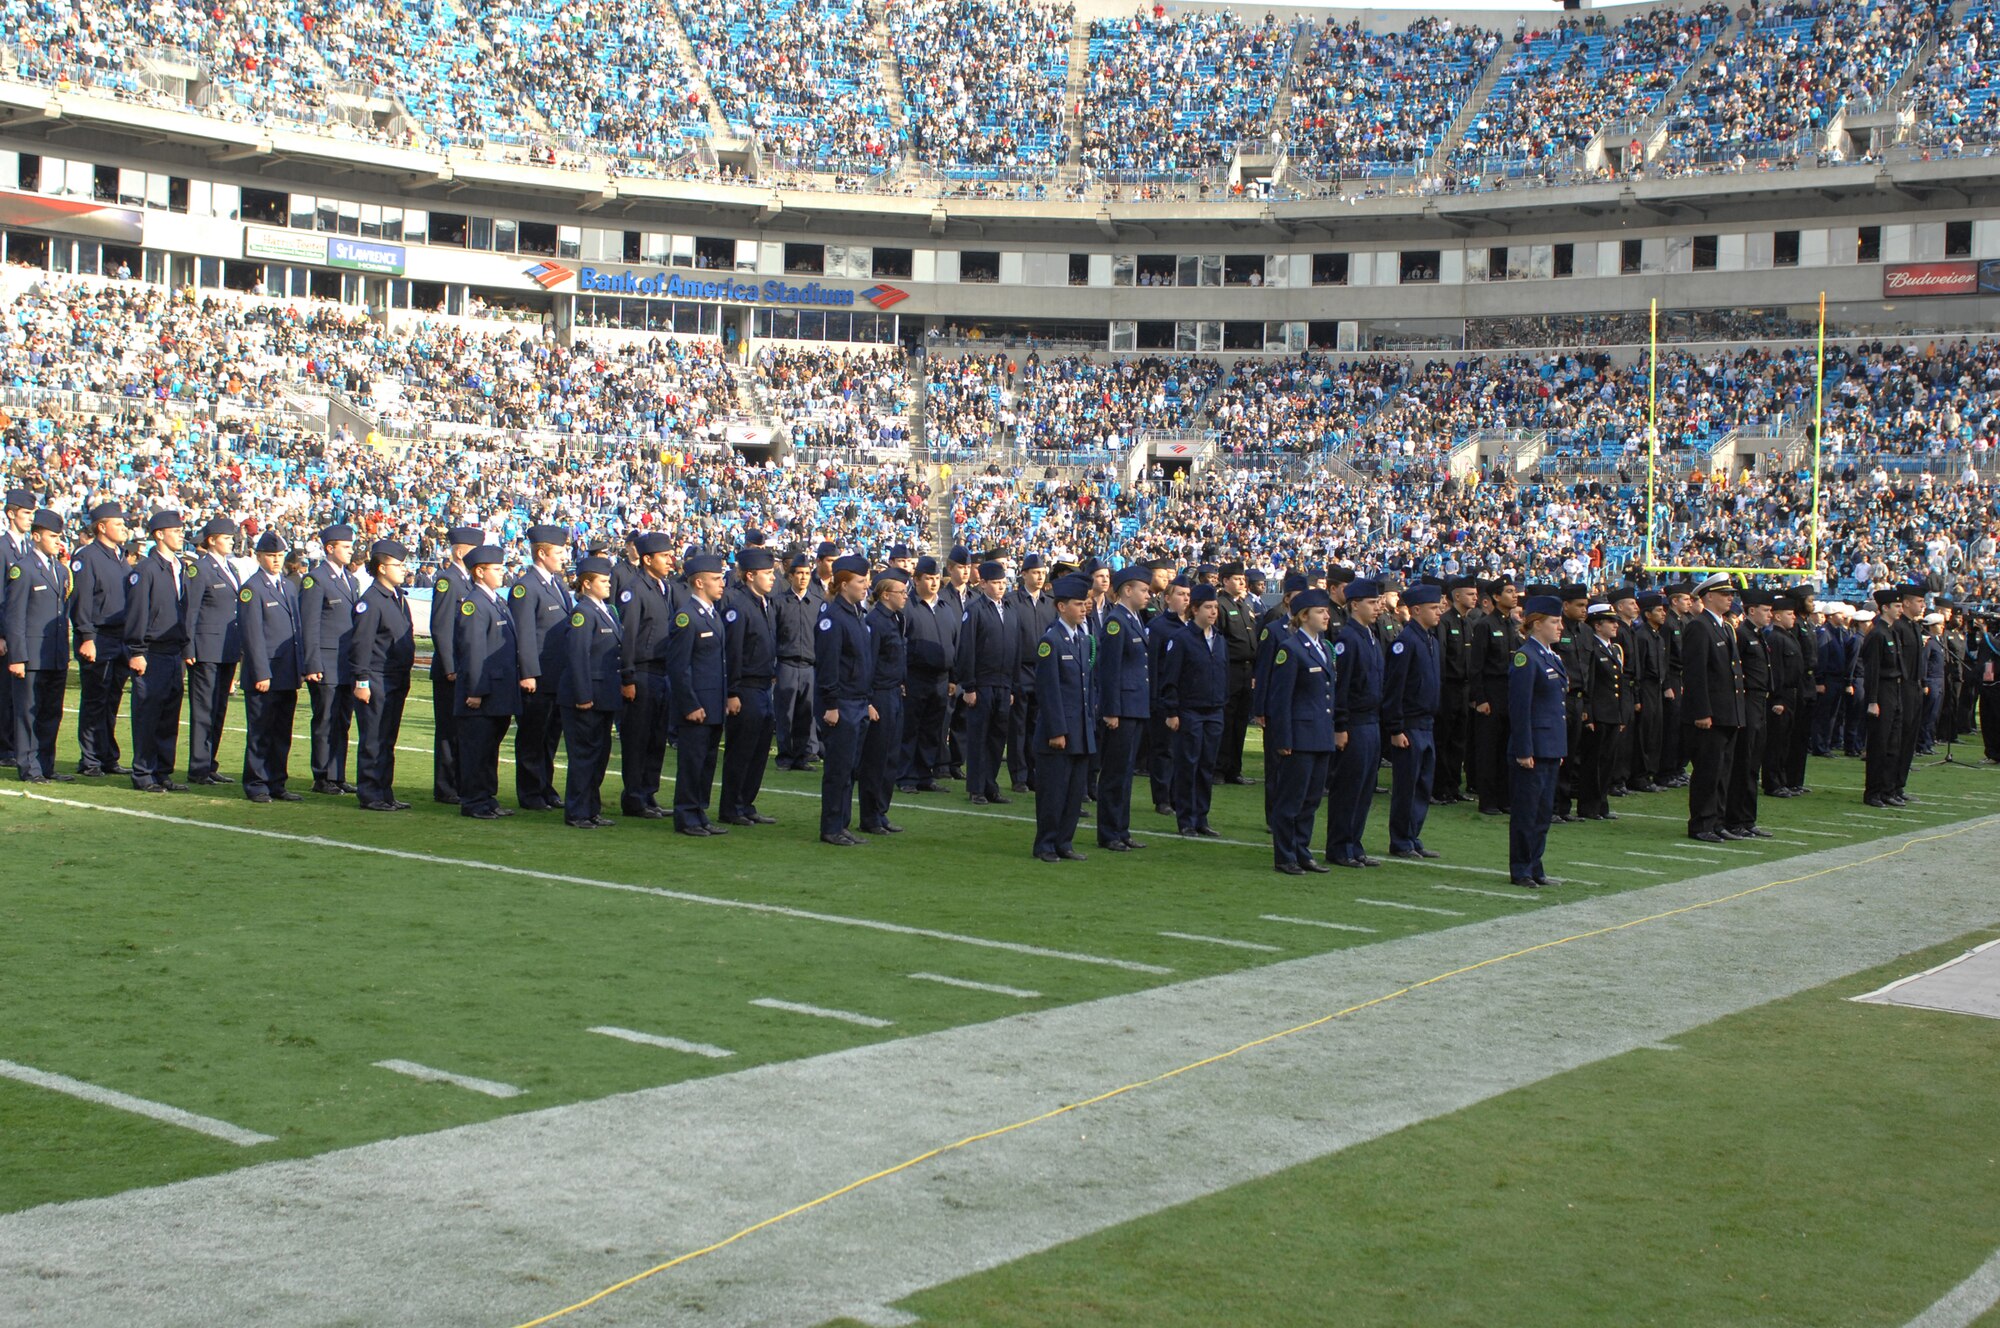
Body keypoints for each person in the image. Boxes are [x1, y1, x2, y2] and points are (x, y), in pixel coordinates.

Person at [1264, 588, 1335, 874]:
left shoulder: (1324, 647)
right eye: (1321, 611)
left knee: (1311, 800)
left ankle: (1302, 850)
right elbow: (1281, 699)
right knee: (1291, 800)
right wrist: (1283, 739)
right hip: (1300, 737)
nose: (1327, 616)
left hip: (1320, 735)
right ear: (1304, 616)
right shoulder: (1291, 649)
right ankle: (1285, 855)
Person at [122, 510, 190, 793]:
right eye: (175, 530)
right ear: (159, 534)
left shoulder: (180, 567)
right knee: (148, 714)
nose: (180, 535)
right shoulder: (146, 569)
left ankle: (162, 771)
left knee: (169, 716)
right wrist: (136, 650)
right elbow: (137, 614)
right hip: (151, 651)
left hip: (173, 651)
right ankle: (144, 773)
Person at [1032, 573, 1097, 862]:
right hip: (1058, 732)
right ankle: (1045, 844)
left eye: (1085, 603)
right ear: (1061, 607)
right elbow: (1049, 691)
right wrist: (1056, 730)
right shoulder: (1051, 641)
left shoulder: (1084, 639)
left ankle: (1064, 842)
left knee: (1073, 794)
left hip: (1081, 729)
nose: (1084, 608)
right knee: (1053, 793)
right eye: (1078, 604)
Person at [454, 546, 524, 820]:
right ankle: (474, 801)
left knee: (489, 749)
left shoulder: (496, 601)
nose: (502, 573)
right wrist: (475, 690)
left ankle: (487, 797)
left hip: (499, 690)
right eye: (496, 569)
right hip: (482, 692)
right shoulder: (474, 604)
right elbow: (473, 651)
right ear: (479, 572)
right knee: (476, 750)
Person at [235, 530, 304, 802]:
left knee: (282, 731)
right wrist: (261, 672)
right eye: (271, 556)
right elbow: (252, 636)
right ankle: (256, 783)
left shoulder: (287, 586)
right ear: (259, 556)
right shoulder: (252, 588)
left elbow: (296, 630)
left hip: (286, 670)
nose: (276, 561)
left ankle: (277, 781)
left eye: (279, 556)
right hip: (265, 671)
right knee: (261, 731)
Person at [6, 507, 71, 783]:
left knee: (50, 713)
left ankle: (46, 765)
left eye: (60, 536)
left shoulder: (59, 569)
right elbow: (14, 616)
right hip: (31, 656)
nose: (58, 541)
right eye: (53, 536)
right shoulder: (23, 569)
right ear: (35, 536)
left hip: (54, 654)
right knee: (28, 713)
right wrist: (17, 656)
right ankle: (29, 767)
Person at [349, 540, 415, 812]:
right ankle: (370, 792)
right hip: (376, 678)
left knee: (388, 738)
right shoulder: (371, 601)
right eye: (397, 565)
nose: (403, 570)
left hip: (396, 678)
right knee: (374, 738)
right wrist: (362, 681)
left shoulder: (397, 597)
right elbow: (361, 645)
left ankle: (385, 791)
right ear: (380, 568)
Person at [1508, 595, 1570, 887]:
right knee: (1527, 811)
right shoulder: (1526, 657)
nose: (1560, 627)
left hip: (1550, 745)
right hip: (1533, 746)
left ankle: (1535, 865)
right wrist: (1524, 749)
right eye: (1554, 622)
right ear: (1536, 624)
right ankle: (1521, 868)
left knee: (1544, 811)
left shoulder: (1550, 656)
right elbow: (1520, 708)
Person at [667, 552, 730, 836]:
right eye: (716, 579)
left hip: (713, 703)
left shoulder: (711, 615)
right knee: (692, 763)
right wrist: (690, 704)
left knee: (706, 763)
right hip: (697, 706)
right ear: (699, 582)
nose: (722, 584)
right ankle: (686, 816)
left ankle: (700, 812)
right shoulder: (686, 617)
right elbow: (679, 667)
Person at [509, 525, 571, 812]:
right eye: (559, 552)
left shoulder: (556, 584)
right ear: (542, 553)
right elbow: (524, 634)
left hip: (557, 676)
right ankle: (531, 792)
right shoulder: (526, 586)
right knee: (532, 737)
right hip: (538, 677)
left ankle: (546, 787)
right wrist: (527, 673)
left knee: (549, 737)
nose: (564, 557)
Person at [1324, 577, 1385, 868]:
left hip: (1372, 721)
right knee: (1348, 787)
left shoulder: (1370, 635)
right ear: (1355, 604)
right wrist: (1341, 725)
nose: (1378, 607)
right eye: (1372, 603)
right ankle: (1339, 846)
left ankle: (1354, 843)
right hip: (1356, 723)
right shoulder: (1348, 639)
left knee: (1364, 788)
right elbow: (1343, 687)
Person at [617, 532, 678, 820]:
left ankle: (648, 792)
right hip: (641, 671)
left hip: (661, 671)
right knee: (638, 738)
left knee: (656, 738)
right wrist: (627, 677)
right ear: (647, 559)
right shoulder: (634, 589)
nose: (670, 560)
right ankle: (634, 797)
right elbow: (628, 636)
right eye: (665, 556)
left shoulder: (662, 587)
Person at [68, 502, 131, 778]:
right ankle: (90, 758)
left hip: (121, 637)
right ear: (102, 527)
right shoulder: (87, 556)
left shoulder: (120, 557)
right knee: (95, 698)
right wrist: (87, 637)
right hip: (99, 636)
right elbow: (81, 602)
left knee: (113, 699)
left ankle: (108, 756)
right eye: (118, 524)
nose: (123, 528)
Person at [816, 554, 875, 846]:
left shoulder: (855, 614)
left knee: (851, 768)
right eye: (860, 581)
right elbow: (828, 666)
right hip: (841, 704)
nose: (866, 586)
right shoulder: (833, 617)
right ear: (842, 585)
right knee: (838, 769)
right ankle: (831, 826)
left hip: (857, 701)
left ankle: (842, 823)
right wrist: (830, 705)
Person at [1681, 574, 1746, 841]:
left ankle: (1717, 820)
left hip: (1727, 711)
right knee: (1708, 771)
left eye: (1730, 594)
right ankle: (1702, 823)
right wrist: (1702, 712)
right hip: (1712, 713)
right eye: (1724, 594)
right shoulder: (1700, 626)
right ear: (1708, 596)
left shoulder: (1722, 626)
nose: (1730, 597)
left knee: (1723, 771)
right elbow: (1696, 674)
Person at [1160, 582, 1227, 838]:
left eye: (1215, 608)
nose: (1213, 612)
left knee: (1206, 766)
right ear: (1195, 609)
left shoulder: (1218, 640)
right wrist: (1172, 711)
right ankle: (1186, 818)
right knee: (1188, 764)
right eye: (1208, 607)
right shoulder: (1181, 639)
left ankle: (1202, 817)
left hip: (1214, 710)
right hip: (1190, 711)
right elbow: (1171, 679)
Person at [1093, 565, 1152, 853]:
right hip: (1123, 708)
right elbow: (1109, 670)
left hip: (1136, 705)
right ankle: (1108, 832)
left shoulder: (1134, 619)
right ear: (1127, 590)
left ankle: (1122, 828)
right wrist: (1111, 710)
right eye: (1143, 589)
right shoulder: (1116, 621)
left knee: (1126, 772)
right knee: (1115, 772)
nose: (1148, 595)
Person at [720, 546, 779, 826]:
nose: (773, 578)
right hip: (745, 686)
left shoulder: (764, 603)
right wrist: (731, 691)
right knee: (741, 750)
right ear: (751, 575)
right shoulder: (738, 605)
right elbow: (733, 652)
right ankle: (732, 806)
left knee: (758, 750)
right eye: (767, 574)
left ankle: (747, 802)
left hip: (764, 686)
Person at [1383, 583, 1443, 859]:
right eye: (1433, 608)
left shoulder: (1430, 640)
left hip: (1427, 723)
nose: (1439, 611)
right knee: (1407, 786)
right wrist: (1396, 728)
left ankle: (1412, 835)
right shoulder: (1405, 641)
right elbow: (1394, 688)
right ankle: (1401, 840)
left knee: (1422, 784)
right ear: (1417, 610)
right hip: (1409, 723)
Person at [299, 523, 360, 795]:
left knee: (343, 720)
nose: (350, 551)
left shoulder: (351, 579)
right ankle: (322, 775)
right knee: (325, 719)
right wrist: (311, 663)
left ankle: (338, 774)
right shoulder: (316, 578)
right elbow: (309, 624)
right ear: (330, 548)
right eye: (346, 547)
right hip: (325, 662)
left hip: (346, 663)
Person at [181, 517, 242, 787]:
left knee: (219, 709)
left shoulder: (231, 569)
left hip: (226, 649)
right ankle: (198, 766)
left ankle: (210, 763)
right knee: (204, 709)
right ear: (212, 539)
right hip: (205, 649)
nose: (231, 541)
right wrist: (189, 645)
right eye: (227, 537)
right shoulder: (200, 569)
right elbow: (191, 611)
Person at [426, 526, 481, 805]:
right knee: (449, 730)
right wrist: (449, 666)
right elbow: (440, 627)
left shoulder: (468, 583)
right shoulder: (448, 581)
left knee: (461, 730)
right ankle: (446, 786)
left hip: (463, 668)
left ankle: (458, 782)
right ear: (460, 552)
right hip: (451, 670)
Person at [955, 560, 1017, 806]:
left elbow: (1016, 648)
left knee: (997, 738)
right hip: (981, 684)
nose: (1001, 587)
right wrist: (968, 687)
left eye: (1003, 583)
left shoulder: (1010, 610)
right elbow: (967, 648)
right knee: (979, 737)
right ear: (983, 584)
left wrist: (1012, 686)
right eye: (995, 583)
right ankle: (976, 788)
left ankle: (991, 785)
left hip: (1003, 684)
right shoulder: (975, 609)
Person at [898, 555, 957, 794]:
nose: (933, 583)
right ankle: (906, 776)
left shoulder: (945, 608)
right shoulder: (908, 607)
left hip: (941, 679)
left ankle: (925, 774)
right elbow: (900, 645)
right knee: (910, 728)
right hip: (915, 677)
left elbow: (954, 643)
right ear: (916, 579)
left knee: (933, 730)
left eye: (935, 578)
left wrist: (953, 677)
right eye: (928, 578)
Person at [859, 568, 909, 835]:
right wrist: (868, 700)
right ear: (886, 594)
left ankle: (881, 810)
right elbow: (869, 663)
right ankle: (869, 815)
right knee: (875, 759)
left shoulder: (896, 619)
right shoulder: (876, 622)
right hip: (879, 694)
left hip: (894, 692)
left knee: (890, 757)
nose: (905, 596)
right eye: (901, 592)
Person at [1469, 578, 1521, 815]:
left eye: (1514, 591)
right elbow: (1476, 665)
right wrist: (1480, 699)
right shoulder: (1485, 625)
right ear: (1496, 597)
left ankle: (1505, 798)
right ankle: (1488, 800)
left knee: (1505, 749)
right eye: (1509, 592)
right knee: (1488, 749)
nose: (1515, 595)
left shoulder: (1512, 625)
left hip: (1510, 693)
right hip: (1491, 692)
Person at [1006, 554, 1054, 794]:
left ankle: (1034, 772)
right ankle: (1019, 775)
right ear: (1024, 574)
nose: (1039, 576)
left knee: (1037, 725)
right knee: (1018, 726)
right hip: (1020, 668)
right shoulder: (1012, 601)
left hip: (1042, 670)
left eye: (1042, 571)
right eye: (1035, 572)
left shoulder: (1050, 603)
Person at [1576, 602, 1628, 821]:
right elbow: (1590, 682)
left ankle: (1601, 803)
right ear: (1597, 625)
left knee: (1608, 761)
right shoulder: (1592, 648)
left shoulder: (1613, 648)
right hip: (1598, 712)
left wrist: (1622, 714)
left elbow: (1621, 683)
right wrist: (1589, 712)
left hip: (1612, 713)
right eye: (1610, 621)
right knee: (1593, 762)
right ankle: (1589, 805)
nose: (1615, 625)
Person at [773, 553, 821, 771]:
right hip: (786, 664)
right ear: (790, 576)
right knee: (785, 713)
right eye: (799, 573)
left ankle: (802, 755)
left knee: (805, 713)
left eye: (807, 573)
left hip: (810, 665)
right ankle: (785, 755)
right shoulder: (779, 603)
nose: (803, 577)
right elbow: (772, 635)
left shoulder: (818, 604)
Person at [1433, 576, 1478, 803]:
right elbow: (1442, 658)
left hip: (1465, 689)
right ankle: (1439, 786)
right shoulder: (1445, 621)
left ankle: (1453, 786)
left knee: (1459, 740)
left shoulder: (1468, 623)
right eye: (1470, 594)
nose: (1475, 597)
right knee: (1444, 737)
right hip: (1448, 687)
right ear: (1457, 596)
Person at [1215, 562, 1259, 784]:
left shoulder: (1245, 606)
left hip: (1246, 670)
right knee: (1227, 719)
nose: (1242, 582)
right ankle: (1220, 769)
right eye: (1236, 578)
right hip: (1230, 669)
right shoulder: (1220, 605)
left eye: (1243, 578)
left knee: (1240, 721)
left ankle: (1234, 768)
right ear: (1224, 581)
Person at [0, 486, 32, 770]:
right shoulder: (2, 548)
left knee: (18, 693)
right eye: (25, 513)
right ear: (11, 514)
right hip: (6, 633)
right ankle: (5, 746)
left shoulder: (29, 548)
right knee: (4, 693)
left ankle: (14, 745)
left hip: (22, 632)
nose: (30, 518)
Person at [1764, 594, 1808, 794]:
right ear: (1778, 616)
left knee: (1786, 741)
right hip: (1782, 695)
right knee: (1776, 741)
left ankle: (1783, 781)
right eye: (1789, 614)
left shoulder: (1788, 636)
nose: (1793, 617)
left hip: (1793, 693)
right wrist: (1778, 698)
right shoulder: (1775, 637)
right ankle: (1773, 782)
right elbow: (1777, 671)